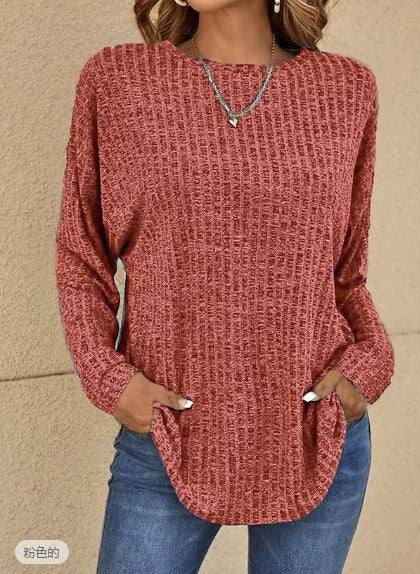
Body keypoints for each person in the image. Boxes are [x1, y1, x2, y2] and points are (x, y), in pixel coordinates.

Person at [55, 0, 395, 572]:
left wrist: (369, 366)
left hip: (316, 431)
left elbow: (345, 273)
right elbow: (81, 254)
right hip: (168, 437)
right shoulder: (118, 81)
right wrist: (111, 381)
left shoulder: (347, 89)